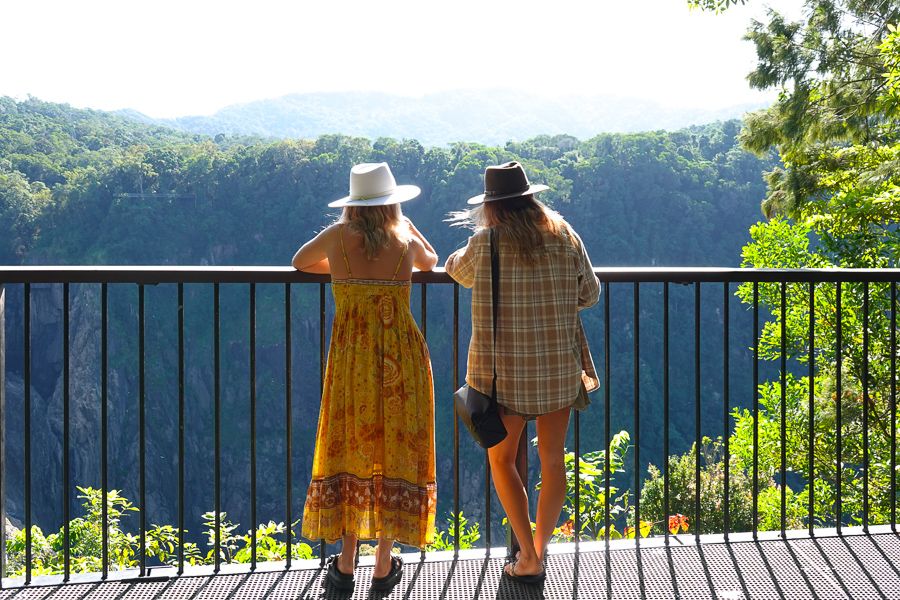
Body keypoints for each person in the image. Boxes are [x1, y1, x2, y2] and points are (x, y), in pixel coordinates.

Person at [445, 161, 600, 584]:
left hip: (503, 375)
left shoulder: (485, 242)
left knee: (502, 459)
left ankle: (527, 554)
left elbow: (453, 270)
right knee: (552, 461)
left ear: (492, 207)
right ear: (531, 198)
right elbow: (590, 294)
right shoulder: (565, 235)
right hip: (557, 370)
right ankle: (542, 549)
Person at [293, 162, 438, 592]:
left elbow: (300, 262)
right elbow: (430, 264)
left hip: (351, 360)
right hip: (402, 357)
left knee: (351, 446)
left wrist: (339, 272)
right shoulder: (405, 237)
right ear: (392, 202)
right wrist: (409, 224)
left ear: (353, 205)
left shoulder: (338, 237)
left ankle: (345, 560)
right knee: (395, 447)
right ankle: (382, 562)